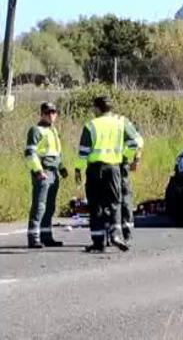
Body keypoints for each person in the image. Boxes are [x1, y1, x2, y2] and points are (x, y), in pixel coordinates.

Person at [74, 96, 141, 253]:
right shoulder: (120, 122)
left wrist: (78, 169)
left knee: (96, 204)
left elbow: (83, 152)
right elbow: (134, 143)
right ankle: (116, 235)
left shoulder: (91, 125)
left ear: (97, 108)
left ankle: (99, 242)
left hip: (95, 169)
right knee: (114, 202)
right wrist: (125, 156)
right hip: (114, 168)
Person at [24, 102, 68, 248]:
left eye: (54, 112)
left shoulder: (53, 131)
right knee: (39, 206)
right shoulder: (36, 130)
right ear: (42, 114)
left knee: (50, 206)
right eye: (48, 112)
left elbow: (56, 153)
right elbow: (30, 153)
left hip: (54, 173)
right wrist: (38, 171)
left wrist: (62, 168)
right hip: (43, 172)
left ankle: (46, 235)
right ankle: (34, 237)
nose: (51, 115)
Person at [119, 120, 144, 243]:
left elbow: (138, 143)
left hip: (117, 165)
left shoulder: (123, 127)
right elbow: (138, 143)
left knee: (121, 199)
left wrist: (134, 159)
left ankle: (122, 233)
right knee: (123, 199)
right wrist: (135, 160)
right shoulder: (124, 127)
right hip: (118, 165)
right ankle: (122, 233)